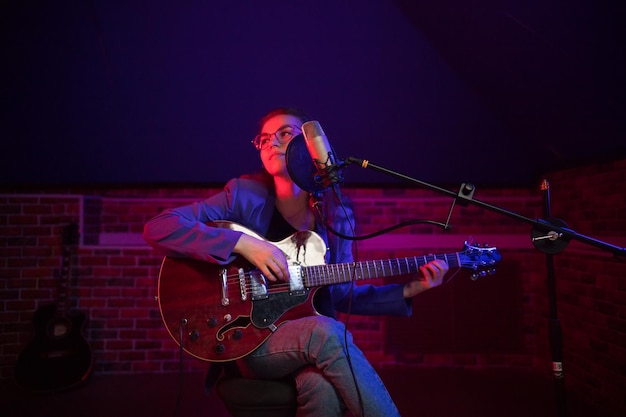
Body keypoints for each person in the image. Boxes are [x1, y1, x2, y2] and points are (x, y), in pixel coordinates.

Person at [142, 107, 449, 417]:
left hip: (307, 340)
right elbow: (159, 227)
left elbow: (341, 293)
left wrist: (409, 290)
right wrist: (244, 244)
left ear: (309, 145)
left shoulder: (336, 215)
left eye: (284, 134)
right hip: (250, 340)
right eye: (263, 139)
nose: (271, 142)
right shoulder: (242, 194)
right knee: (326, 332)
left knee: (321, 387)